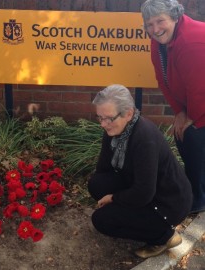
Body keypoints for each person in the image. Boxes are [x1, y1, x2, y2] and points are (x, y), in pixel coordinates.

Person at [88, 84, 192, 259]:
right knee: (96, 184)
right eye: (100, 117)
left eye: (109, 118)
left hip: (167, 203)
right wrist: (116, 198)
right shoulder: (114, 130)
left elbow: (144, 193)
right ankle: (135, 217)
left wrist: (114, 198)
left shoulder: (144, 139)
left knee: (101, 220)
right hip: (143, 187)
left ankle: (164, 236)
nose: (103, 124)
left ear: (128, 113)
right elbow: (103, 170)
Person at [141, 0, 205, 213]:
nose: (155, 29)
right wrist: (179, 112)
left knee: (194, 139)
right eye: (149, 24)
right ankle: (193, 187)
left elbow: (199, 88)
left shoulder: (191, 41)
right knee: (183, 137)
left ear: (175, 17)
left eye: (160, 21)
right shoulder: (158, 40)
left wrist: (191, 117)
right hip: (195, 100)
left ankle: (199, 197)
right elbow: (162, 78)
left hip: (201, 98)